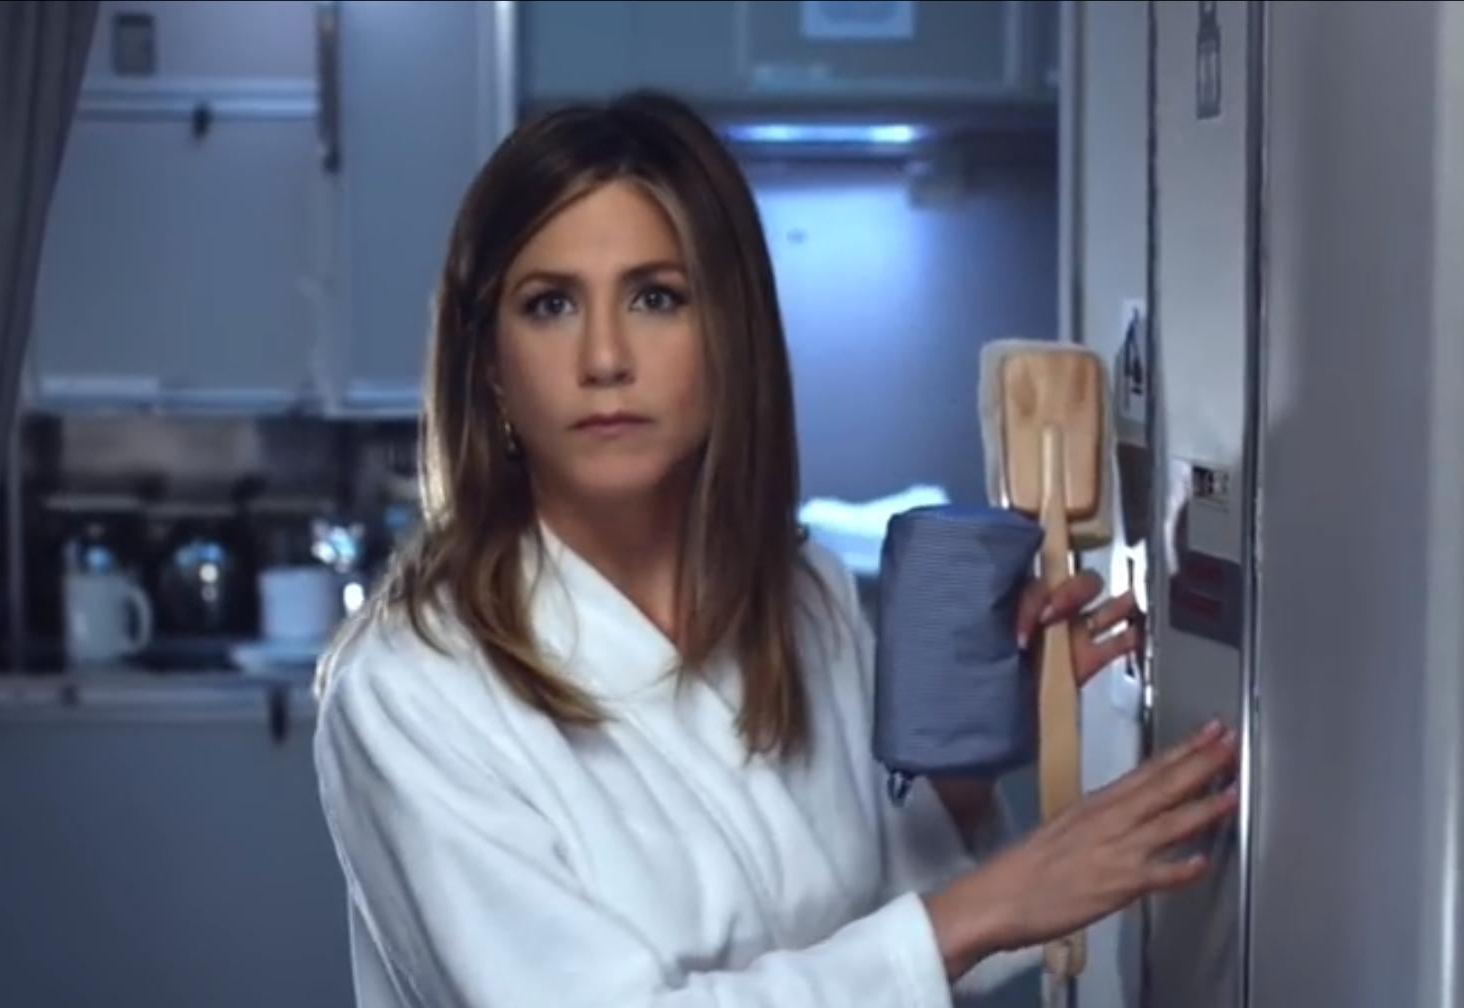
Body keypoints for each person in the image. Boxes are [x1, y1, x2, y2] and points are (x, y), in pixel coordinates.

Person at [312, 90, 1238, 1007]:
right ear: (488, 365)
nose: (604, 358)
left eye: (656, 297)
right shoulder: (411, 691)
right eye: (550, 304)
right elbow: (909, 948)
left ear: (730, 334)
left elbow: (866, 921)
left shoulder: (805, 596)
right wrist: (982, 909)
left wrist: (967, 754)